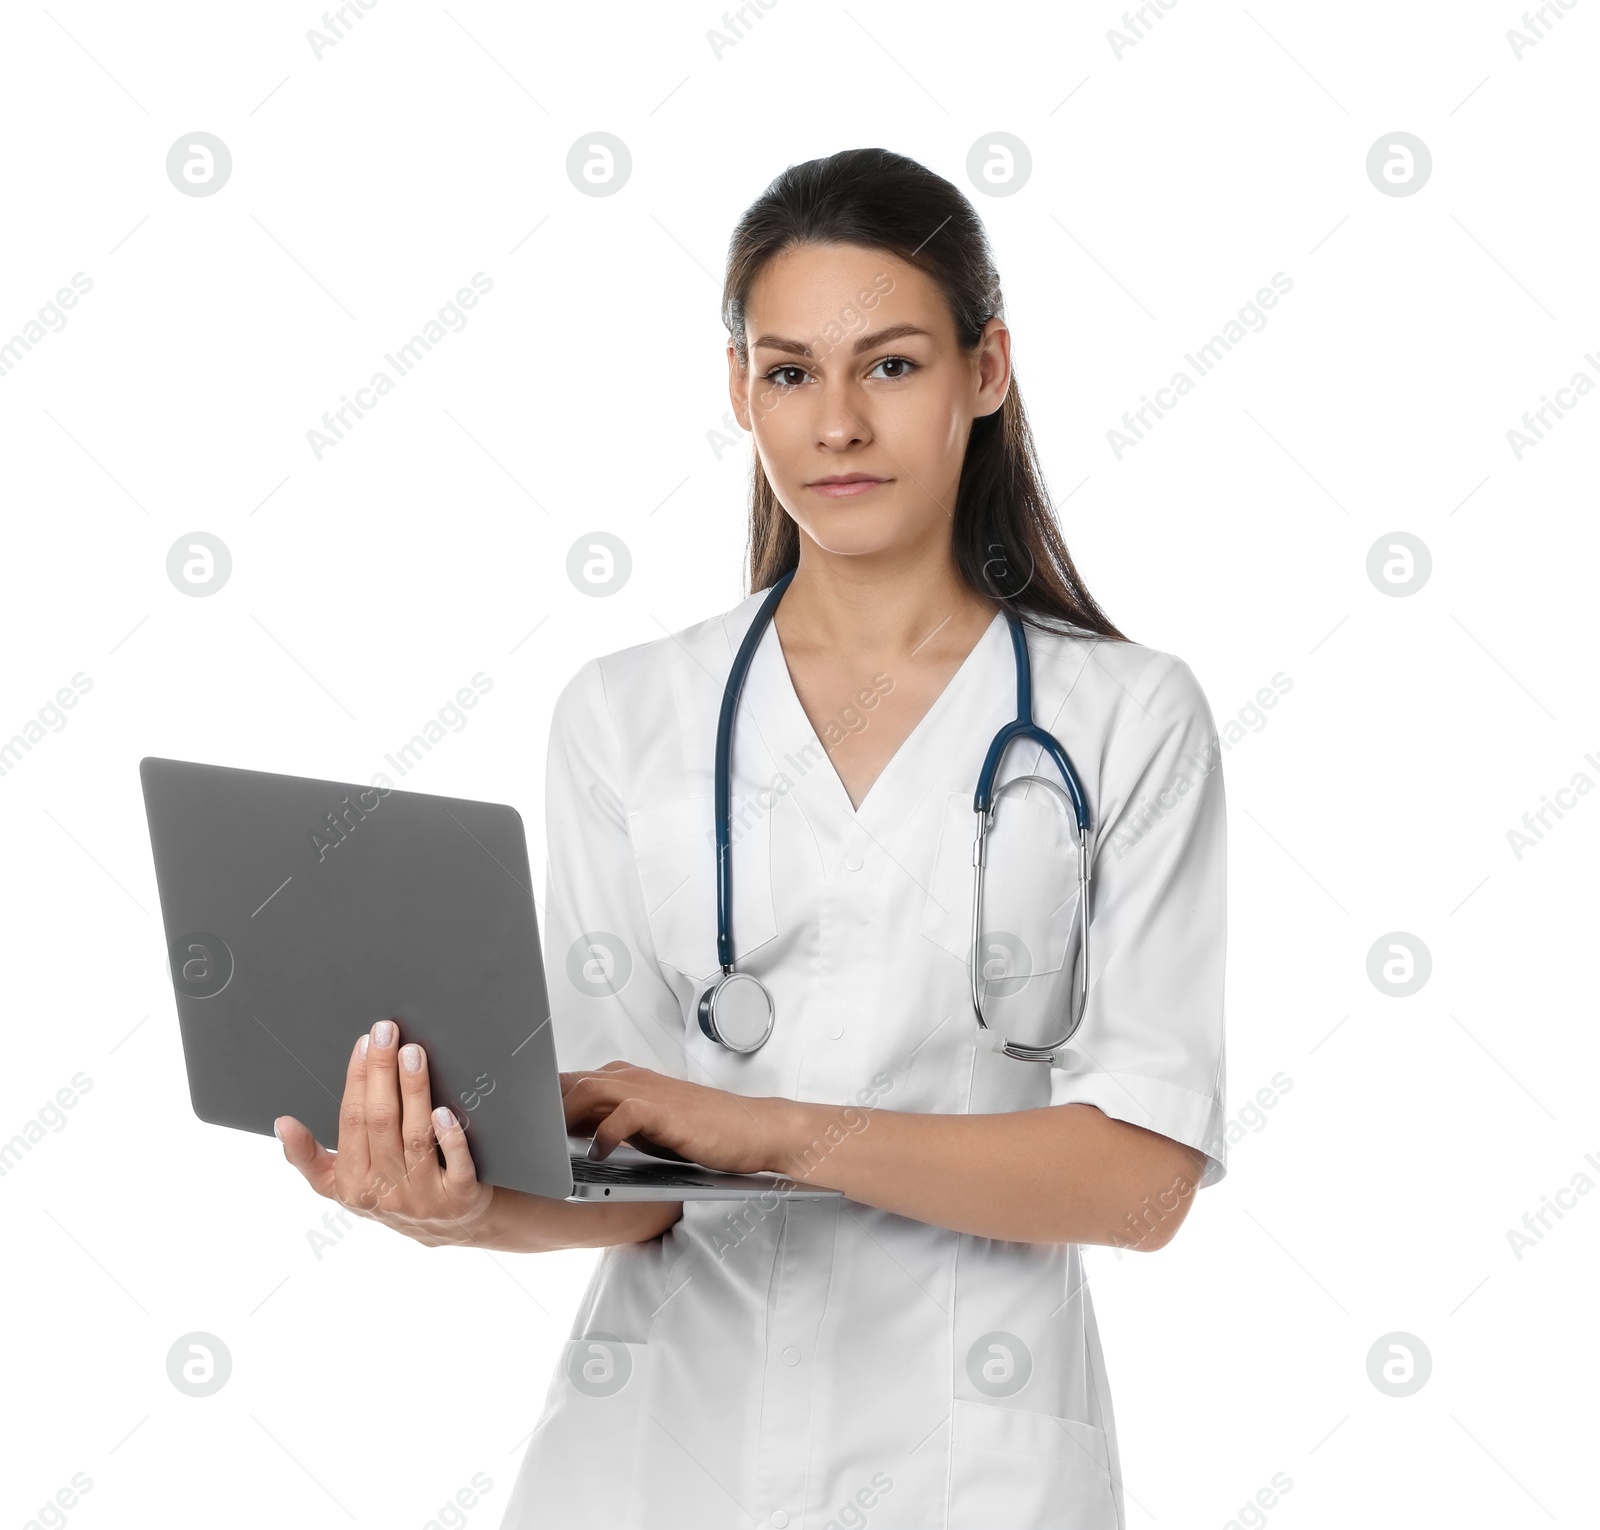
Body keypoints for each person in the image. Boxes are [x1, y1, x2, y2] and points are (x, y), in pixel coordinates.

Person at [275, 146, 1228, 1530]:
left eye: (890, 365)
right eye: (790, 371)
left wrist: (771, 1130)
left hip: (970, 1457)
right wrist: (460, 1207)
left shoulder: (1126, 717)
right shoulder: (624, 716)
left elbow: (1141, 1182)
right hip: (658, 1455)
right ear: (740, 393)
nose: (836, 422)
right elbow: (623, 1177)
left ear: (988, 368)